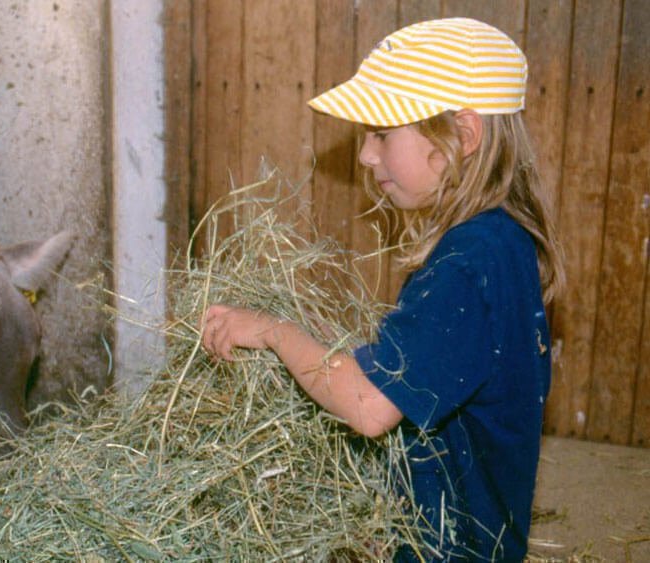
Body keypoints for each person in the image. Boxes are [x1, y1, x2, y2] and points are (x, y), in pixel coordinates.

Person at [201, 17, 565, 562]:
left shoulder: (467, 265)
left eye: (382, 134)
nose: (367, 156)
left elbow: (369, 407)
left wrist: (273, 331)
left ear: (463, 137)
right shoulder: (502, 240)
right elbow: (424, 368)